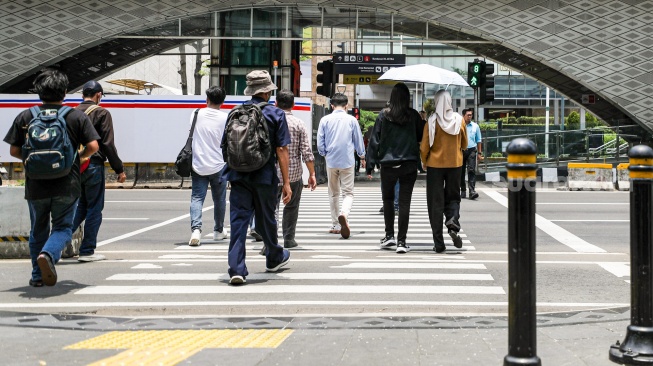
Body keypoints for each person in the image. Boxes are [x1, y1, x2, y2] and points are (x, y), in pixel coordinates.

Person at [3, 68, 100, 286]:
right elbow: (94, 146)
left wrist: (35, 162)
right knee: (63, 228)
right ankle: (48, 254)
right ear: (64, 92)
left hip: (36, 184)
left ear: (38, 91)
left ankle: (37, 276)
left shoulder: (26, 116)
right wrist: (81, 157)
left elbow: (14, 151)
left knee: (38, 229)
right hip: (68, 183)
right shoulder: (75, 116)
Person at [222, 70, 291, 285]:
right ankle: (273, 257)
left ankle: (236, 268)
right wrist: (287, 182)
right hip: (264, 175)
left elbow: (226, 145)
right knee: (266, 219)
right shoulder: (275, 114)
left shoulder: (235, 111)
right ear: (267, 92)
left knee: (238, 221)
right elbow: (281, 150)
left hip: (238, 175)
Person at [71, 81, 126, 262]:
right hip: (93, 164)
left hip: (74, 166)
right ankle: (87, 250)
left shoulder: (70, 113)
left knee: (80, 206)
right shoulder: (102, 113)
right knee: (94, 207)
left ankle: (55, 240)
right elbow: (108, 144)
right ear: (99, 95)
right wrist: (119, 169)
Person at [366, 83, 423, 254]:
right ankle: (402, 242)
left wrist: (370, 165)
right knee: (405, 203)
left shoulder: (384, 115)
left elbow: (374, 140)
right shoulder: (413, 115)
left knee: (388, 200)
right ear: (408, 98)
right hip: (409, 164)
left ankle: (389, 235)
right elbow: (421, 136)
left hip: (388, 165)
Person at [420, 90, 467, 254]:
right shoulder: (459, 120)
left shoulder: (431, 121)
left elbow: (424, 146)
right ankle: (453, 222)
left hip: (435, 166)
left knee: (435, 203)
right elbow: (465, 144)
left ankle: (439, 243)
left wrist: (424, 162)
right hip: (455, 164)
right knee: (454, 197)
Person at [317, 93, 366, 239]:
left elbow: (320, 142)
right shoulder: (352, 120)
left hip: (331, 161)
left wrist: (325, 153)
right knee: (348, 193)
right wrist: (362, 156)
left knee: (333, 192)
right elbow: (358, 140)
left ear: (332, 105)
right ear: (346, 106)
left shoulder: (324, 120)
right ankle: (344, 214)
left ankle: (335, 224)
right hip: (347, 161)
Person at [188, 86, 230, 246]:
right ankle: (218, 231)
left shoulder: (196, 113)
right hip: (219, 165)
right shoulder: (225, 117)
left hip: (198, 163)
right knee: (219, 199)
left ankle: (196, 230)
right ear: (223, 102)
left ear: (207, 99)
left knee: (197, 197)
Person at [275, 89, 317, 248]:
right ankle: (289, 238)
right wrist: (312, 173)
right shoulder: (298, 124)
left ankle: (270, 240)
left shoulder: (269, 121)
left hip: (272, 173)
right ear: (293, 104)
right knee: (291, 207)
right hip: (293, 175)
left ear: (276, 103)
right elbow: (306, 151)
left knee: (272, 207)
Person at [460, 108, 483, 200]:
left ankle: (472, 191)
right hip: (461, 150)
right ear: (463, 115)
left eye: (471, 115)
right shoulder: (459, 126)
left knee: (471, 170)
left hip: (472, 150)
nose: (470, 117)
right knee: (460, 171)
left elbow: (479, 140)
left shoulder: (475, 126)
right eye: (468, 115)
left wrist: (479, 153)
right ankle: (463, 190)